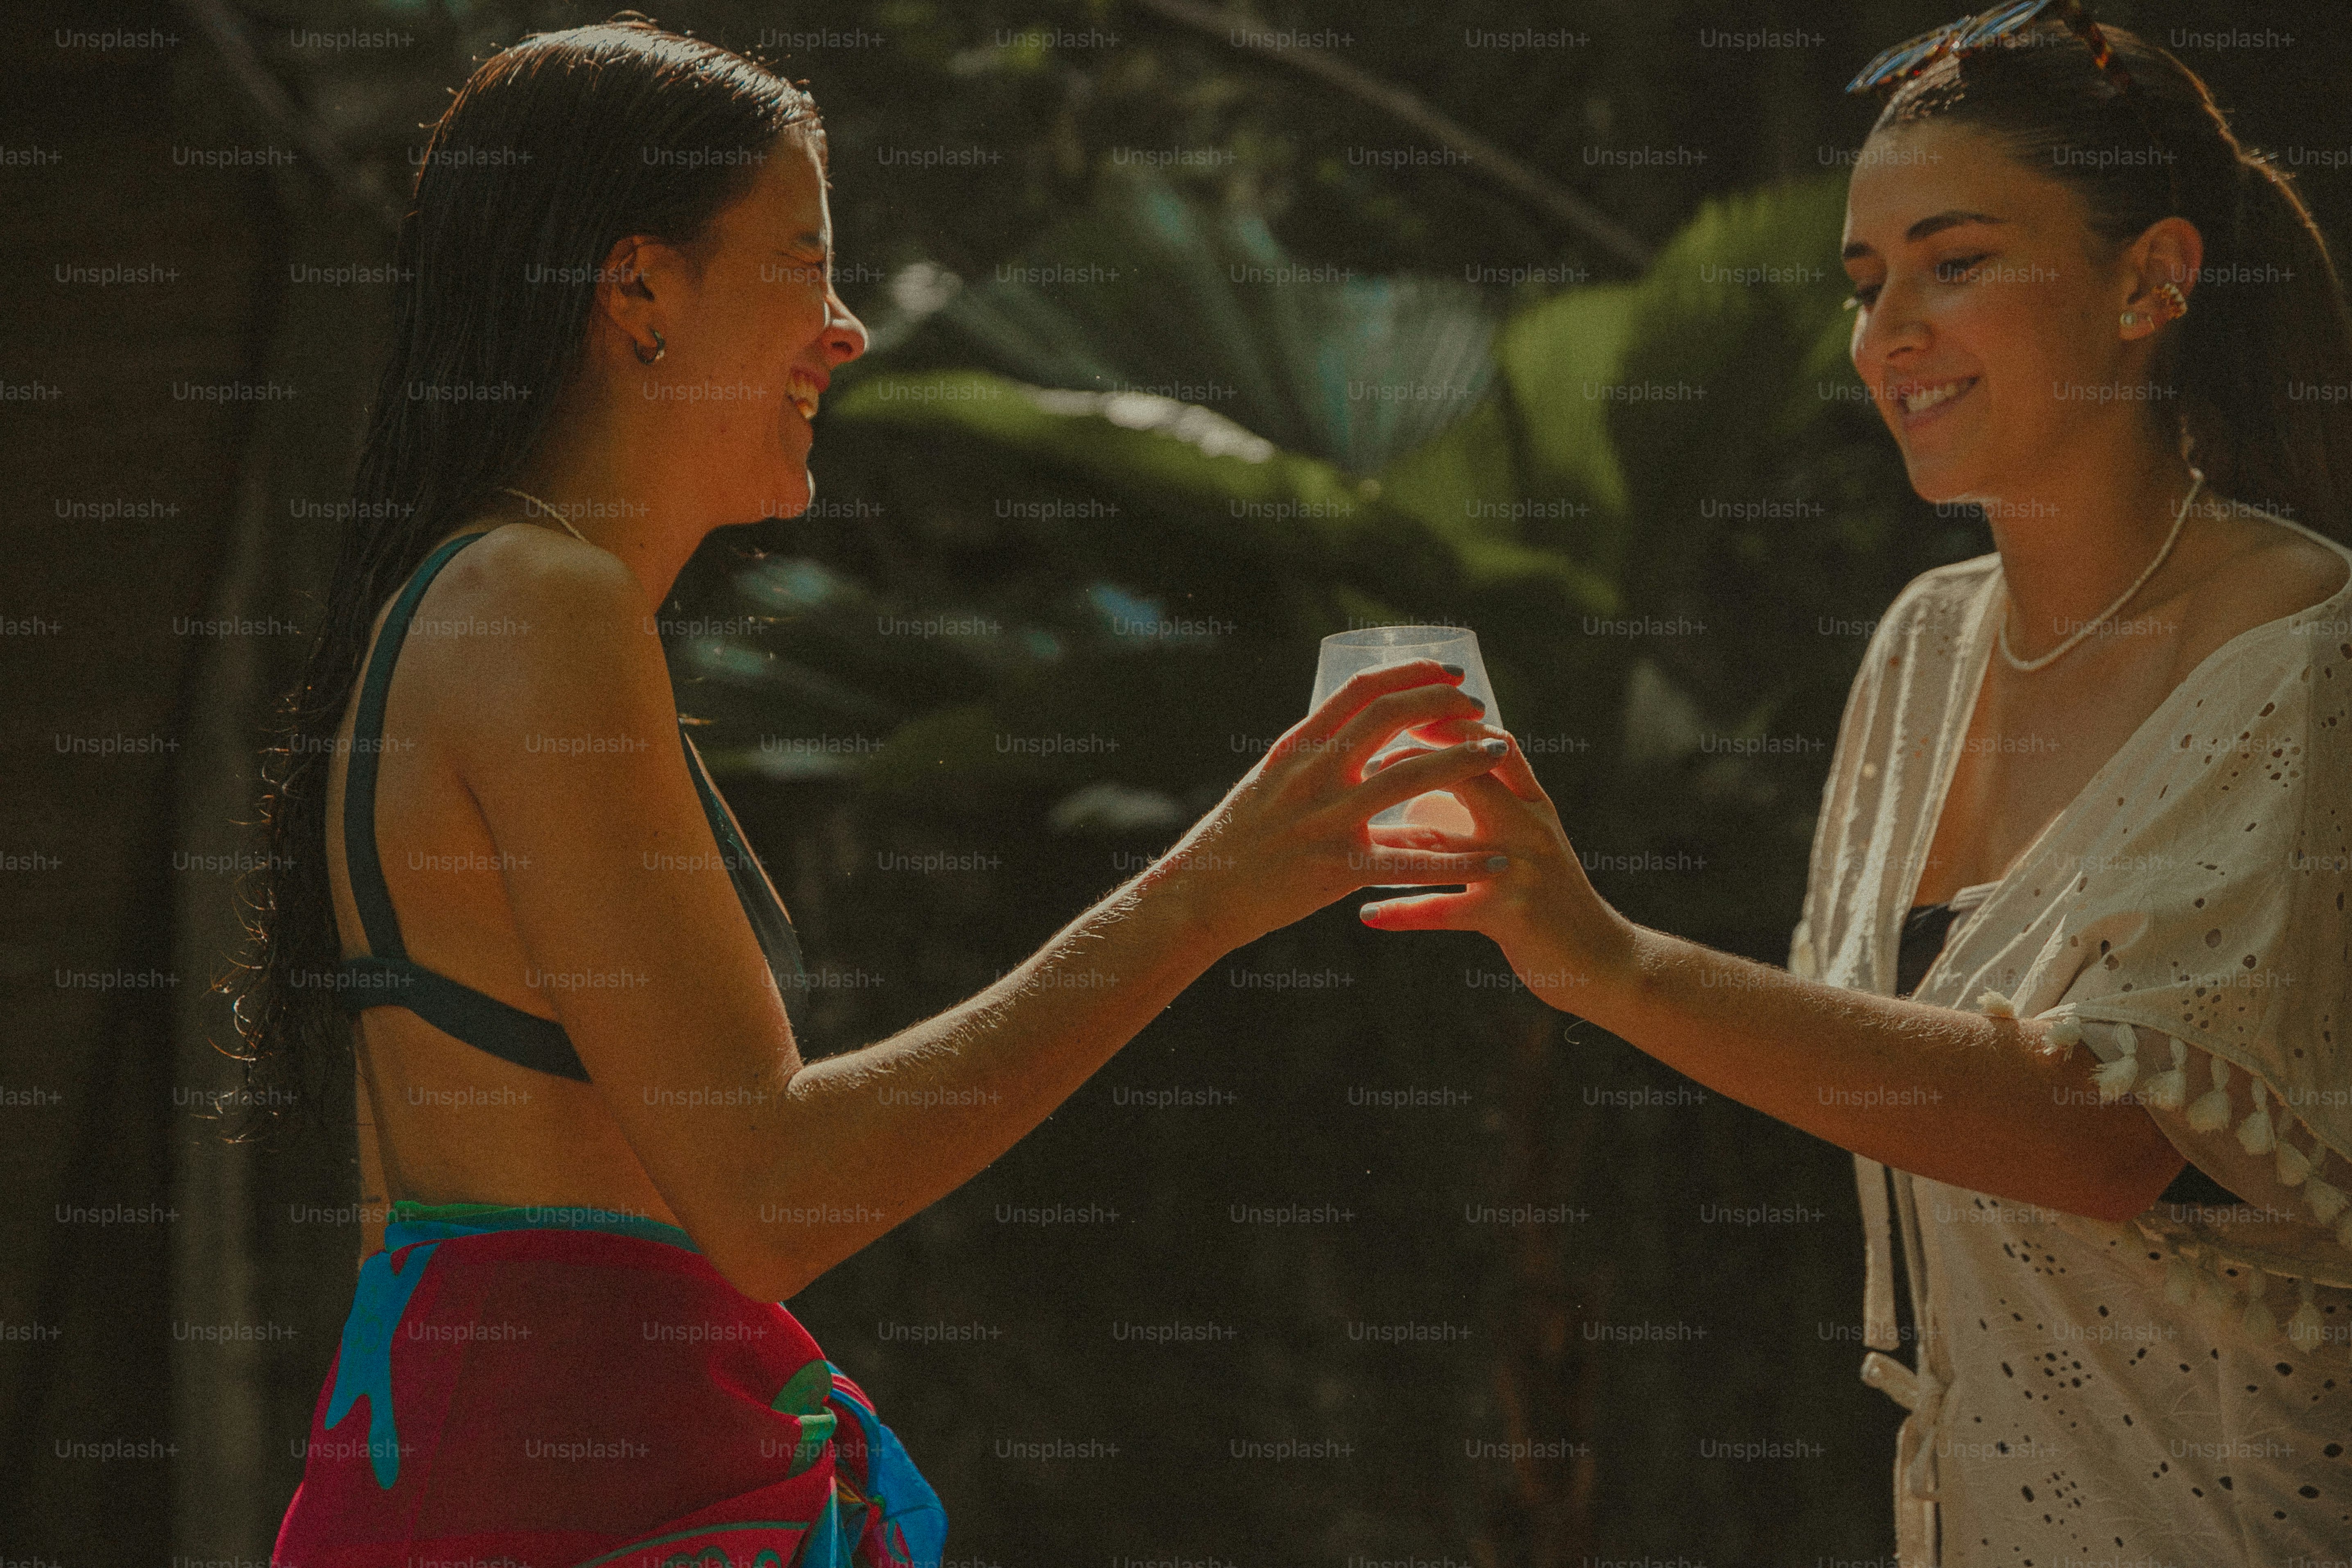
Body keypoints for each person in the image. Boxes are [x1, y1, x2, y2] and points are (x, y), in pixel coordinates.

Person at [228, 19, 1512, 1567]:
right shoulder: (537, 608)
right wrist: (1209, 893)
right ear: (638, 290)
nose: (844, 329)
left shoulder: (484, 603)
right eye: (805, 262)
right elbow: (771, 1191)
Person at [1367, 9, 2352, 1563]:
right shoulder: (1921, 649)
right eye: (1866, 281)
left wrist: (1608, 960)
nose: (1888, 332)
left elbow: (2103, 1133)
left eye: (1955, 263)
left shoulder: (2309, 655)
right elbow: (1896, 1079)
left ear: (2154, 279)